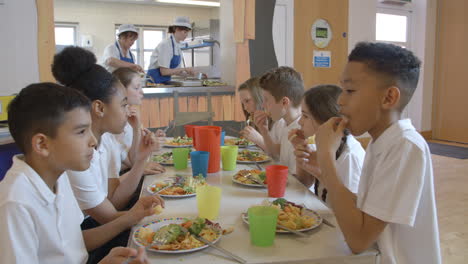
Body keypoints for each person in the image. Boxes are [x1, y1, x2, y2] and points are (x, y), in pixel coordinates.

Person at [311, 42, 441, 263]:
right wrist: (321, 171)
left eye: (350, 91)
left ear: (389, 97)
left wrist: (326, 157)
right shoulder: (381, 141)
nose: (340, 101)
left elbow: (358, 240)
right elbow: (366, 210)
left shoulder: (405, 146)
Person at [0, 83, 159, 263]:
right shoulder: (16, 203)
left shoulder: (58, 177)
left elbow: (73, 243)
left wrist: (131, 219)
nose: (92, 141)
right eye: (81, 132)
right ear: (42, 145)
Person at [52, 47, 161, 263]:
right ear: (99, 108)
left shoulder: (105, 141)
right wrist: (137, 216)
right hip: (89, 236)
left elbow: (114, 202)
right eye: (123, 105)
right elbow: (108, 215)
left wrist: (139, 161)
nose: (127, 111)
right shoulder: (75, 157)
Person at [288, 84, 365, 204]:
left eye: (305, 116)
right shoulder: (319, 143)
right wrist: (300, 148)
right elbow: (304, 183)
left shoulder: (349, 156)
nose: (300, 121)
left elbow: (349, 207)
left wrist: (321, 173)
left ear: (327, 121)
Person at [112, 67, 166, 175]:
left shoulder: (131, 115)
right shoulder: (114, 122)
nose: (142, 92)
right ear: (121, 90)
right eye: (136, 88)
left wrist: (149, 140)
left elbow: (132, 156)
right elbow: (131, 162)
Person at [252, 66, 304, 173]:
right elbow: (275, 154)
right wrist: (264, 131)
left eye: (266, 100)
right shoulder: (286, 123)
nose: (263, 105)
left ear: (284, 102)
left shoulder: (301, 132)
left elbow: (299, 183)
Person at [238, 77, 286, 151]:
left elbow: (282, 155)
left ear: (260, 98)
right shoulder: (255, 119)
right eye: (243, 103)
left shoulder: (280, 122)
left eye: (247, 101)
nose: (245, 108)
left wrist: (258, 139)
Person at [147, 16, 199, 84]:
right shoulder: (165, 45)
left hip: (164, 82)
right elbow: (164, 72)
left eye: (187, 32)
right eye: (185, 32)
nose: (186, 35)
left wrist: (191, 74)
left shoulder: (177, 46)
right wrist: (185, 69)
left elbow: (177, 71)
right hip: (154, 83)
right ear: (176, 29)